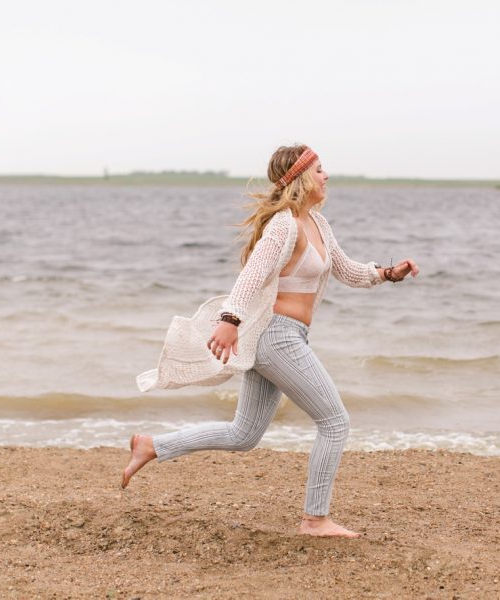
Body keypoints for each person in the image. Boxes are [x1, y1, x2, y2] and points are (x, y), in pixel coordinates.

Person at [122, 144, 419, 538]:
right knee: (335, 422)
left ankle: (152, 445)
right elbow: (252, 275)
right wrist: (229, 319)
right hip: (276, 335)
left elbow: (346, 270)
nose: (326, 175)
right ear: (299, 178)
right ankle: (315, 520)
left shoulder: (318, 223)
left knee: (243, 435)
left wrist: (387, 273)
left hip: (283, 336)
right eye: (319, 170)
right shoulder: (284, 225)